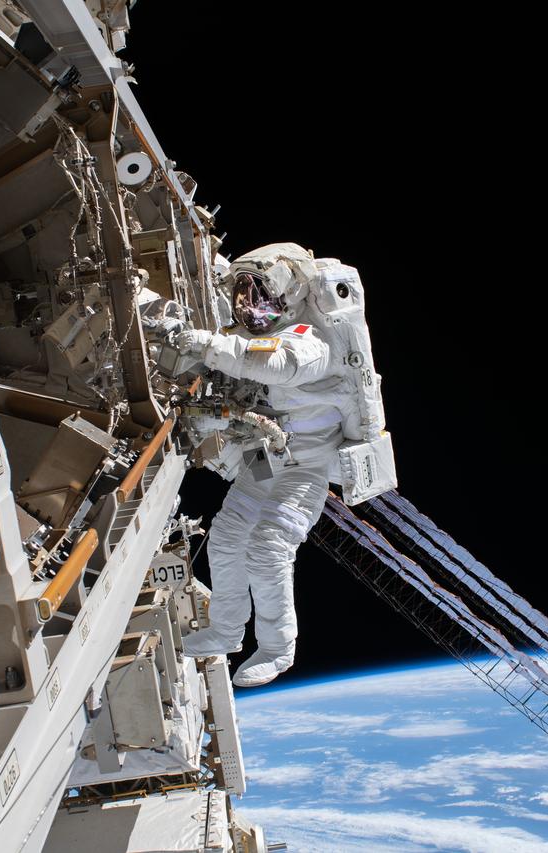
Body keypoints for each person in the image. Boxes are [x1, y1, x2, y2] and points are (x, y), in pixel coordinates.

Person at [172, 243, 350, 687]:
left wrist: (207, 345)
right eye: (244, 293)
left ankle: (277, 648)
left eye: (259, 294)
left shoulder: (312, 338)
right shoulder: (273, 327)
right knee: (228, 537)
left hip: (306, 467)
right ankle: (227, 632)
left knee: (269, 547)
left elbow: (276, 361)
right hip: (269, 455)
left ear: (288, 294)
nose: (250, 306)